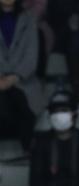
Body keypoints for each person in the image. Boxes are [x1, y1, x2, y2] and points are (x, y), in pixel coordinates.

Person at [0, 0, 44, 150]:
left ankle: (29, 150)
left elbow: (32, 56)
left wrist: (13, 78)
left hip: (23, 81)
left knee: (21, 102)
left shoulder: (29, 18)